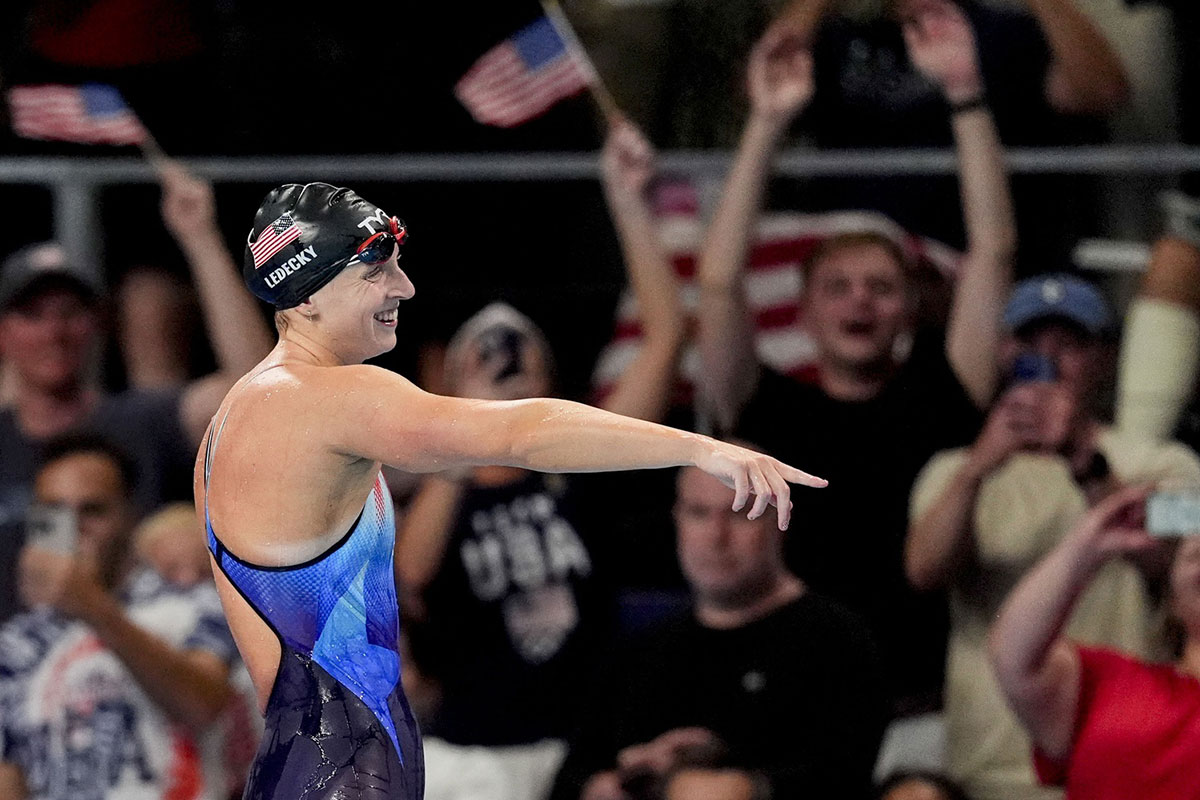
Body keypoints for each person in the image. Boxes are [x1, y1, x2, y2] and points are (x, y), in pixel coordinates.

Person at [199, 181, 824, 800]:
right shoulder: (332, 398)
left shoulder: (236, 422)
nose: (404, 287)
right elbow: (524, 432)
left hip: (316, 761)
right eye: (375, 272)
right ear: (306, 295)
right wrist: (701, 447)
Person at [696, 0, 1013, 721]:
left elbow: (993, 252)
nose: (859, 303)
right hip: (802, 704)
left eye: (881, 287)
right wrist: (768, 122)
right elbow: (716, 282)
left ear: (907, 308)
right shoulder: (767, 408)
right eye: (837, 288)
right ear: (804, 311)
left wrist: (964, 93)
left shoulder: (943, 389)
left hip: (930, 707)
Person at [399, 120, 685, 800]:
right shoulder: (435, 484)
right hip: (471, 757)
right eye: (487, 355)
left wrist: (628, 203)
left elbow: (666, 339)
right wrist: (469, 436)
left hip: (580, 752)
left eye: (521, 354)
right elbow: (410, 573)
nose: (507, 364)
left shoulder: (575, 464)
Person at [906, 274, 1200, 800]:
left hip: (1119, 753)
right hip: (984, 760)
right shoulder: (951, 469)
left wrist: (1084, 462)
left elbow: (1178, 564)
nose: (1047, 360)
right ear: (1004, 352)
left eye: (1068, 345)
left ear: (1106, 358)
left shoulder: (1168, 462)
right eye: (1029, 343)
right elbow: (922, 571)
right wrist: (977, 469)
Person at [550, 459, 887, 800]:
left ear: (779, 518)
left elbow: (843, 777)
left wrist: (737, 786)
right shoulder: (639, 651)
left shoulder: (836, 642)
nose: (716, 535)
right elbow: (570, 781)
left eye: (740, 513)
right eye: (698, 512)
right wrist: (630, 776)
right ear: (676, 518)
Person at [0, 163, 273, 523]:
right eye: (33, 315)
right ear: (4, 332)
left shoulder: (141, 423)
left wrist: (200, 238)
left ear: (97, 326)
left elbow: (262, 394)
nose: (54, 332)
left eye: (70, 313)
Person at [0, 434, 241, 800]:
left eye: (92, 511)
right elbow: (9, 775)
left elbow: (203, 706)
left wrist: (93, 607)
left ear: (130, 515)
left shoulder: (193, 599)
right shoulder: (16, 644)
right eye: (55, 512)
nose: (74, 528)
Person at [989, 486, 1200, 799]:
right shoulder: (1111, 684)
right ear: (1173, 600)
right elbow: (1014, 659)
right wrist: (1083, 547)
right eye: (1198, 555)